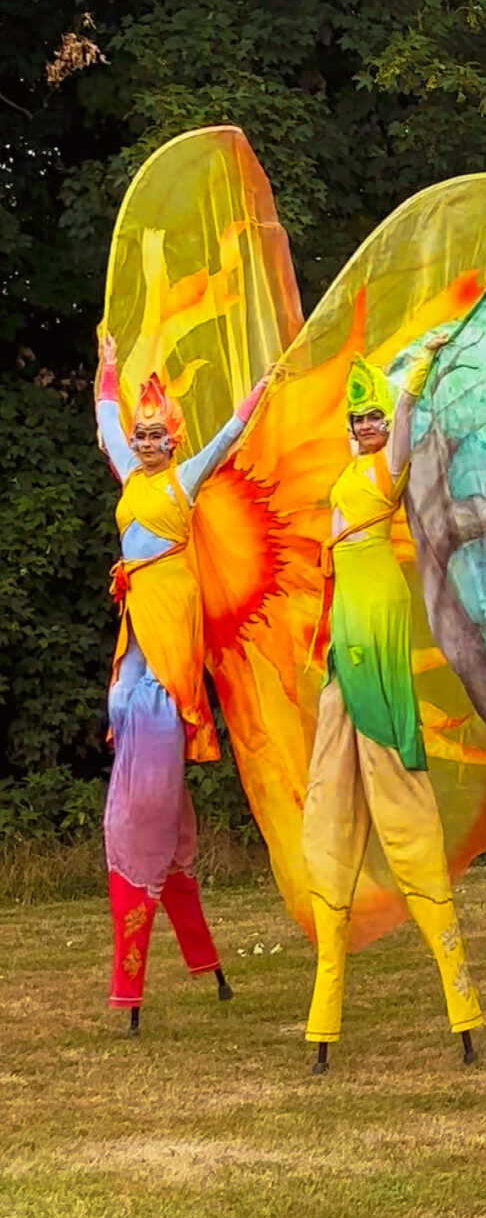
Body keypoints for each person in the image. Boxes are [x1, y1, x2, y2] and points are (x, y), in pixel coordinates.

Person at [300, 342, 483, 1070]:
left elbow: (404, 426)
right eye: (361, 416)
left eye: (375, 416)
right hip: (343, 656)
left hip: (373, 643)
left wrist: (411, 382)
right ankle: (321, 1019)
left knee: (404, 822)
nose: (371, 424)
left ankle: (462, 1005)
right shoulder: (347, 474)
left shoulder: (382, 473)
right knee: (329, 816)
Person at [94, 335, 262, 1029]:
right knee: (127, 716)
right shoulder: (130, 478)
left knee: (147, 775)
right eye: (140, 434)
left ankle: (130, 980)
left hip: (172, 625)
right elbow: (105, 415)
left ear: (173, 440)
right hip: (137, 627)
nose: (146, 441)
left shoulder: (178, 480)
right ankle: (202, 959)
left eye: (157, 434)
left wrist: (263, 387)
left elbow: (228, 435)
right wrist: (107, 364)